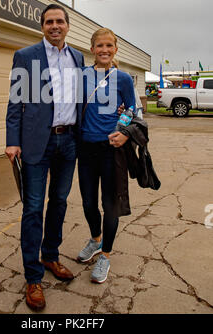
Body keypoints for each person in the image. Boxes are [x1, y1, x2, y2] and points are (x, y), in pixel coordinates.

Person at [5, 3, 84, 311]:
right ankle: (33, 276)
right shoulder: (26, 56)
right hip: (37, 143)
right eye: (49, 21)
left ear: (67, 25)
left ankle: (50, 255)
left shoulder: (77, 57)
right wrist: (13, 141)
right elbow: (15, 102)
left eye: (59, 21)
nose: (55, 26)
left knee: (60, 202)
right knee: (33, 208)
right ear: (42, 27)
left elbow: (81, 98)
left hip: (69, 142)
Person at [77, 28, 136, 283]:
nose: (104, 50)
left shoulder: (123, 79)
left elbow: (133, 109)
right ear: (92, 49)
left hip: (112, 150)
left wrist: (122, 131)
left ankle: (106, 256)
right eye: (99, 46)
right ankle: (96, 240)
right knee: (88, 202)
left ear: (115, 49)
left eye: (109, 46)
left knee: (110, 205)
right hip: (86, 149)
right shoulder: (82, 76)